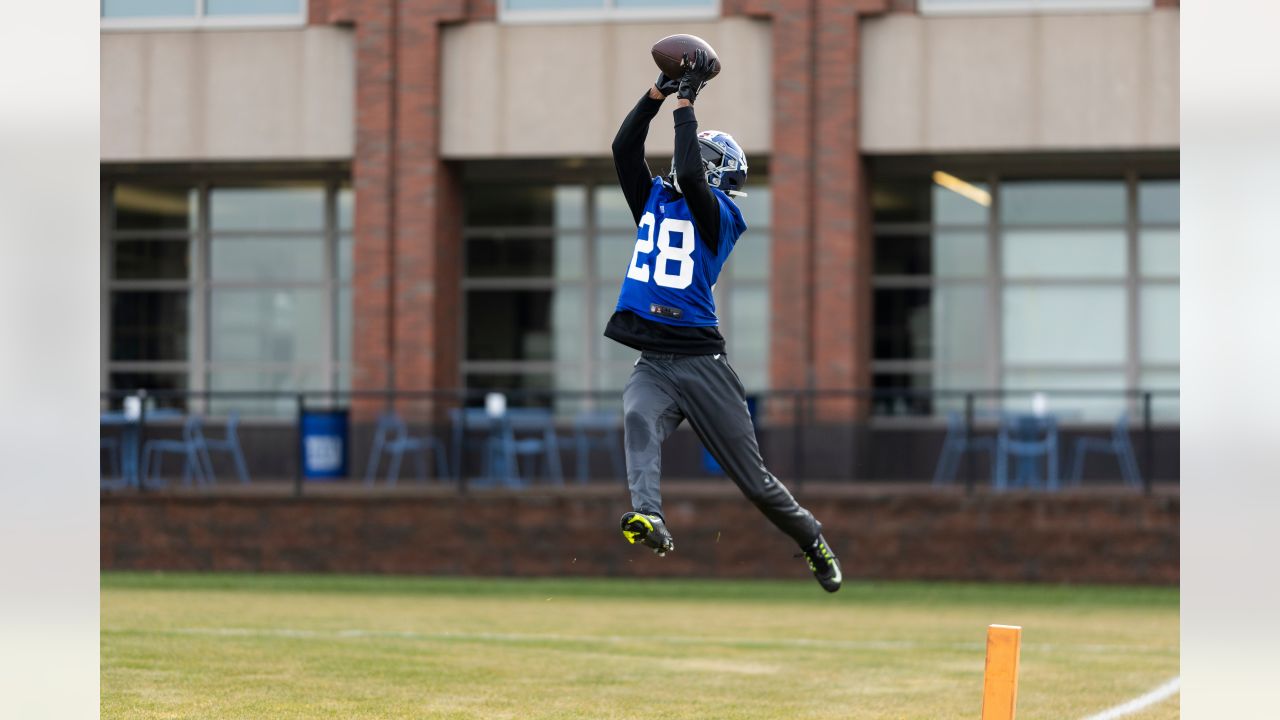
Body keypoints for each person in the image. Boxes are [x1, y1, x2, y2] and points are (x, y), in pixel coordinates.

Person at [605, 50, 843, 593]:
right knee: (639, 421)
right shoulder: (655, 201)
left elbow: (689, 172)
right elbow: (624, 150)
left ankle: (810, 537)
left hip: (700, 363)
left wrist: (687, 102)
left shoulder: (721, 216)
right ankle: (651, 519)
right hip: (654, 361)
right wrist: (656, 94)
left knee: (754, 484)